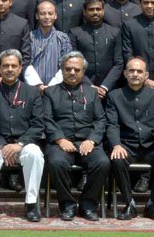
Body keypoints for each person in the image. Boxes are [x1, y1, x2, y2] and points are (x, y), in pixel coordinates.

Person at [0, 50, 45, 222]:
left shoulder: (32, 92)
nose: (9, 69)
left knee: (35, 153)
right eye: (5, 65)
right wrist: (2, 145)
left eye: (13, 66)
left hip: (23, 144)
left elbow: (38, 124)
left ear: (20, 68)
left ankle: (31, 204)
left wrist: (20, 144)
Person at [42, 51, 110, 222]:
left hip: (87, 142)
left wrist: (92, 140)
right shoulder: (50, 92)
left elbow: (101, 120)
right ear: (62, 69)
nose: (72, 72)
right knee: (56, 163)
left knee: (102, 163)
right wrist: (60, 139)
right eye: (68, 69)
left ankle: (88, 205)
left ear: (83, 72)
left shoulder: (92, 92)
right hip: (60, 143)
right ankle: (68, 205)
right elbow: (46, 119)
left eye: (76, 70)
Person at [105, 57, 154, 222]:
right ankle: (130, 204)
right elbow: (112, 124)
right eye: (131, 70)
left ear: (146, 75)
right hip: (126, 146)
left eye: (139, 71)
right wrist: (116, 145)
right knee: (116, 159)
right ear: (125, 73)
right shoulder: (114, 96)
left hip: (151, 147)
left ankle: (153, 204)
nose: (135, 74)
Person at [68, 0, 123, 99]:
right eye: (91, 9)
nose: (95, 12)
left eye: (98, 9)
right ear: (84, 12)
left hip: (109, 89)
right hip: (82, 88)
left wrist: (104, 87)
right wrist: (90, 86)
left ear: (103, 11)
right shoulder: (75, 33)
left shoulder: (114, 32)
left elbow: (119, 63)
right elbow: (73, 63)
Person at [25, 1, 72, 90]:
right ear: (37, 16)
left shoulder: (63, 38)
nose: (47, 17)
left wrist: (51, 87)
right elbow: (26, 63)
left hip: (57, 88)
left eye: (50, 14)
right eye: (43, 14)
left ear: (55, 16)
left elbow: (66, 64)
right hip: (33, 88)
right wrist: (38, 85)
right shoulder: (29, 37)